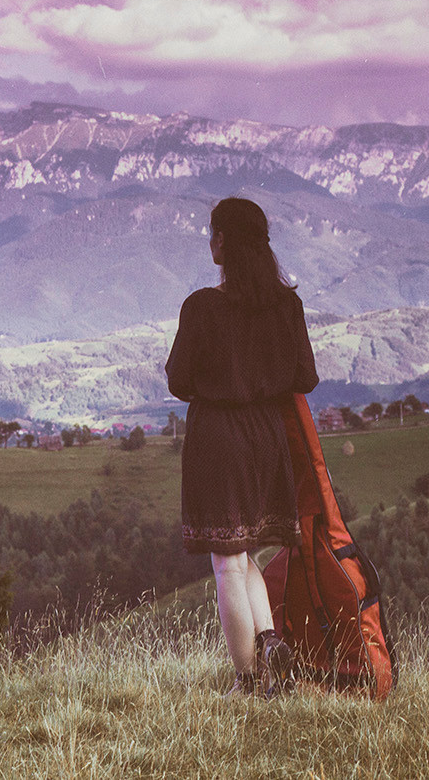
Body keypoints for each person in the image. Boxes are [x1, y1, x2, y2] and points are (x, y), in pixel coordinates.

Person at [165, 196, 319, 698]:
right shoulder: (287, 305)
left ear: (225, 241)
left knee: (227, 561)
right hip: (268, 438)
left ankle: (247, 682)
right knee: (243, 551)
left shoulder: (201, 307)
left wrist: (223, 383)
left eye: (213, 233)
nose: (210, 241)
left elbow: (178, 380)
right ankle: (269, 643)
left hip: (219, 439)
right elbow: (305, 377)